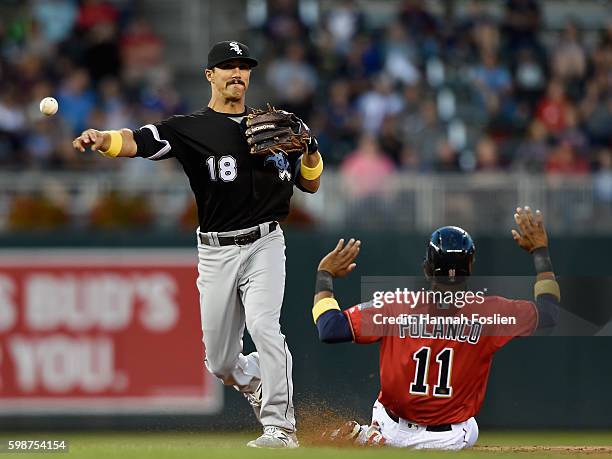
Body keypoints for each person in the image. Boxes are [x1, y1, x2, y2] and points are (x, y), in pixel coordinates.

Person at [72, 40, 324, 449]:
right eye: (227, 67)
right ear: (210, 75)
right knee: (221, 362)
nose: (237, 73)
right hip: (216, 250)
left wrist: (310, 146)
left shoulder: (279, 125)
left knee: (264, 326)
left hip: (265, 243)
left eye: (243, 67)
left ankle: (280, 426)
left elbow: (310, 183)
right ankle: (258, 378)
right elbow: (140, 140)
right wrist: (103, 139)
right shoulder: (189, 128)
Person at [311, 206, 560, 450]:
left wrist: (325, 275)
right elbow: (549, 314)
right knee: (470, 426)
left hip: (392, 427)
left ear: (427, 269)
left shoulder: (394, 307)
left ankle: (372, 437)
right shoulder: (491, 314)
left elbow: (329, 328)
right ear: (470, 268)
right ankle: (373, 438)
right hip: (450, 440)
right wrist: (540, 253)